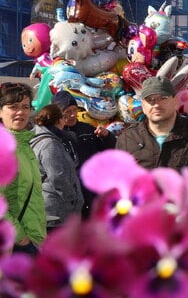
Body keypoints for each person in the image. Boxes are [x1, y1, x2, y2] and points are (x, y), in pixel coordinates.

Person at [116, 76, 188, 177]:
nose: (156, 104)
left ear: (175, 102)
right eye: (150, 100)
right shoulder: (128, 139)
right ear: (143, 106)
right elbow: (118, 181)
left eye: (163, 98)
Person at [50, 90, 116, 217]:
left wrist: (107, 136)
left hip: (90, 188)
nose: (72, 115)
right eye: (67, 112)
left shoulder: (87, 129)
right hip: (67, 191)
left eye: (74, 110)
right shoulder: (53, 133)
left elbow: (108, 151)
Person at [0, 82, 46, 254]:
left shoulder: (24, 145)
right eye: (13, 107)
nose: (21, 112)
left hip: (33, 239)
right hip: (15, 245)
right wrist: (21, 238)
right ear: (0, 111)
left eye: (26, 107)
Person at [30, 104, 84, 230]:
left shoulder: (41, 138)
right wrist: (72, 199)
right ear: (59, 120)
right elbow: (57, 176)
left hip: (52, 206)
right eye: (63, 117)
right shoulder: (50, 144)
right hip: (56, 210)